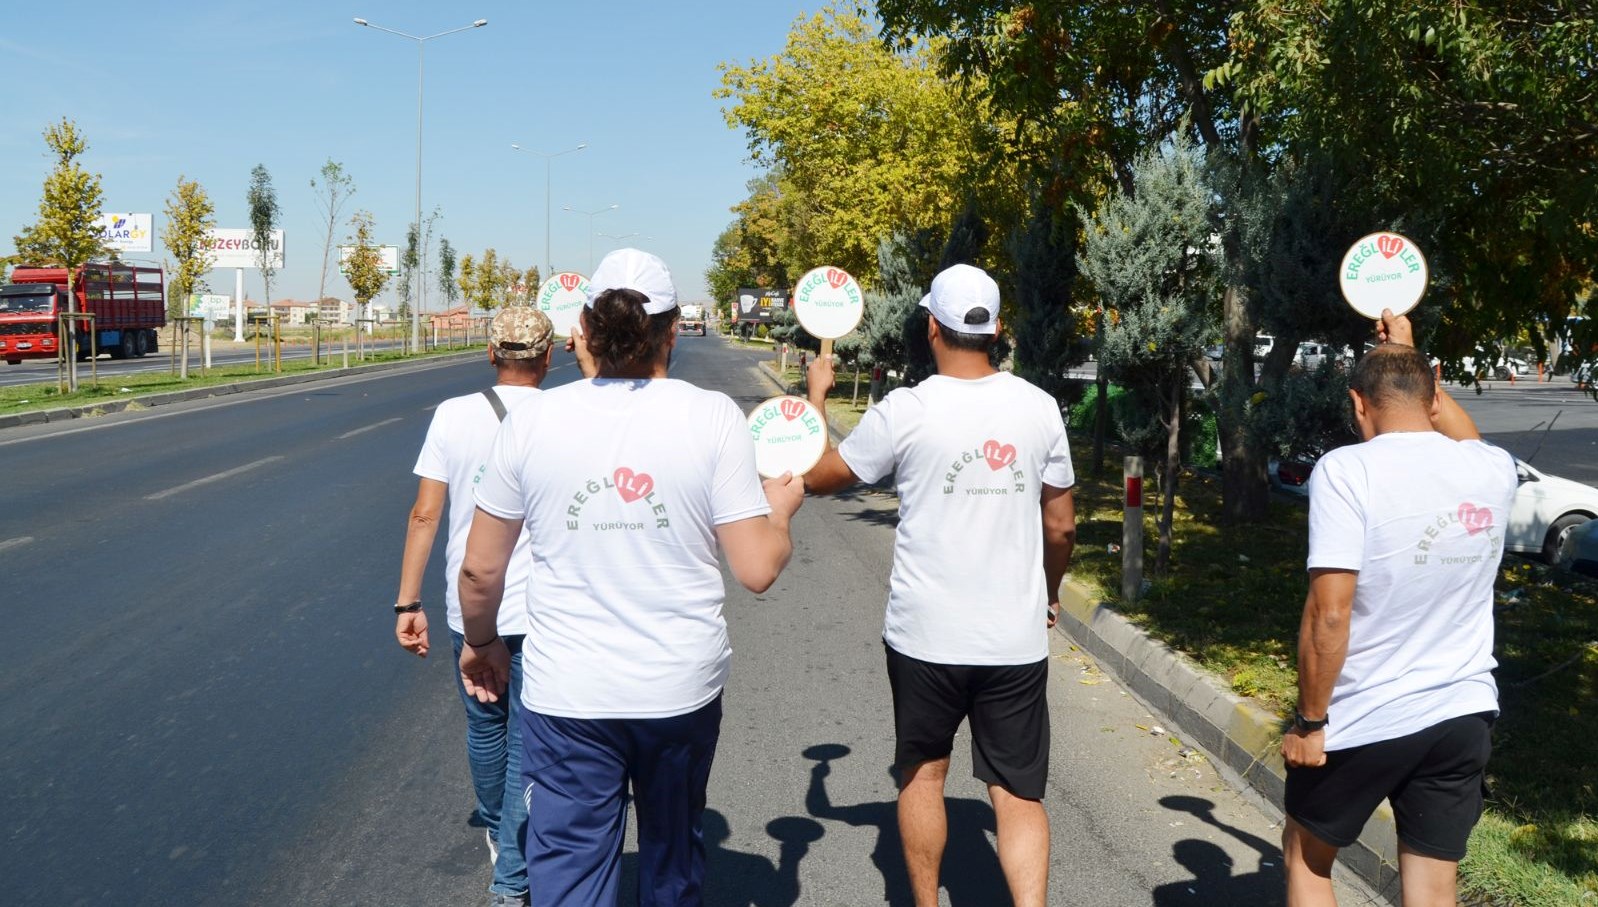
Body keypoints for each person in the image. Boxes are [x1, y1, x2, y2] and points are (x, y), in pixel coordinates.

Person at [455, 248, 805, 907]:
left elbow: (479, 569)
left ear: (585, 330)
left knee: (568, 871)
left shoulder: (532, 421)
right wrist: (780, 512)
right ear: (672, 333)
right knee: (671, 862)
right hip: (678, 689)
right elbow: (757, 567)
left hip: (568, 695)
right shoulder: (712, 417)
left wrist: (481, 642)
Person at [803, 263, 1077, 907]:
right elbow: (1061, 525)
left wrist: (816, 397)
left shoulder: (906, 410)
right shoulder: (1039, 408)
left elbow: (816, 477)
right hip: (1012, 639)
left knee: (923, 775)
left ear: (932, 327)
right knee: (1019, 794)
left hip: (924, 636)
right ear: (997, 330)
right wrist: (1048, 591)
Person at [1281, 309, 1516, 907]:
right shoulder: (1492, 469)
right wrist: (1412, 352)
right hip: (1463, 712)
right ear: (1434, 395)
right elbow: (1462, 431)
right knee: (1433, 886)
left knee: (1307, 857)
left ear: (1358, 403)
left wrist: (1310, 723)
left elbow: (1329, 614)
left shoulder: (1345, 470)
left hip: (1368, 714)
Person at [393, 305, 555, 907]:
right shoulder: (564, 416)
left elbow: (425, 514)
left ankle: (499, 837)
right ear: (548, 357)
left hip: (471, 606)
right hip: (543, 612)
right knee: (527, 741)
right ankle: (512, 874)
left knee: (485, 725)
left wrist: (407, 603)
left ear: (490, 353)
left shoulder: (453, 415)